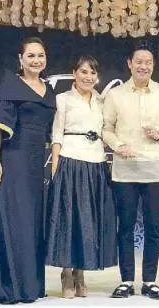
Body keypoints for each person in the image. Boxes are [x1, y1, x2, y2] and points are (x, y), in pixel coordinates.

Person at [0, 37, 56, 304]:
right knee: (16, 222)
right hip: (14, 161)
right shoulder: (11, 85)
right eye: (30, 56)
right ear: (20, 59)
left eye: (40, 55)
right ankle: (12, 286)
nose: (36, 60)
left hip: (34, 166)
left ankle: (30, 286)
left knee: (32, 223)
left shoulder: (48, 89)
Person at [102, 40, 159, 300]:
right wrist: (118, 145)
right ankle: (126, 281)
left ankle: (150, 280)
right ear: (129, 64)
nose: (143, 66)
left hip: (156, 171)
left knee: (153, 227)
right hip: (124, 171)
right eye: (138, 61)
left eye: (148, 62)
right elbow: (106, 128)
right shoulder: (115, 95)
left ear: (153, 65)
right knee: (124, 227)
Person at [45, 56, 117, 299]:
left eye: (92, 73)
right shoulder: (62, 99)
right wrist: (56, 168)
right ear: (74, 73)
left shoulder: (101, 100)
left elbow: (108, 131)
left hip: (96, 163)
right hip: (69, 161)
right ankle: (66, 273)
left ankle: (81, 272)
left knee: (89, 220)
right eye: (84, 72)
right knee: (69, 218)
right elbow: (57, 135)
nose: (88, 77)